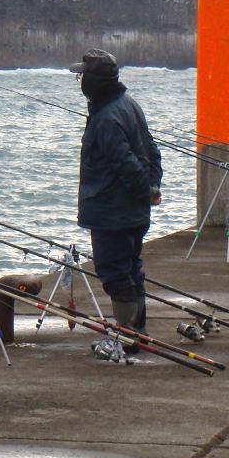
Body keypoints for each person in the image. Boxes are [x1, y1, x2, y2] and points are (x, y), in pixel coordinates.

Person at [70, 49, 162, 345]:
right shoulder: (129, 105)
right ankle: (137, 332)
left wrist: (145, 191)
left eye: (82, 76)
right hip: (131, 211)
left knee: (114, 272)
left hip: (113, 212)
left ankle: (128, 338)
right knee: (131, 269)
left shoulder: (106, 119)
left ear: (93, 82)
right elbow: (152, 152)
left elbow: (127, 164)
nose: (80, 80)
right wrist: (152, 189)